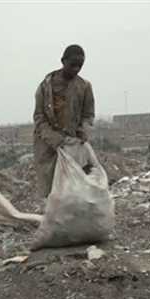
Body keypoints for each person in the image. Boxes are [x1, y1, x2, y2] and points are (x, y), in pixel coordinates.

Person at [33, 44, 95, 201]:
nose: (76, 69)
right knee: (52, 188)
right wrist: (56, 140)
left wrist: (83, 131)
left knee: (76, 186)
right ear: (63, 61)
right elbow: (39, 117)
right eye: (72, 64)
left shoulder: (84, 87)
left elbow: (88, 115)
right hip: (48, 145)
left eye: (80, 65)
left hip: (73, 144)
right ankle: (57, 220)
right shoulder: (46, 87)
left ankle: (74, 220)